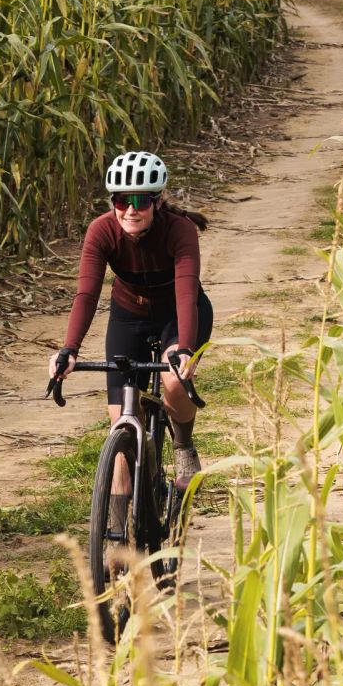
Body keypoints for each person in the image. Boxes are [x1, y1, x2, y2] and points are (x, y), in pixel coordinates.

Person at [50, 150, 209, 489]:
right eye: (122, 201)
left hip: (177, 314)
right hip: (129, 317)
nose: (131, 210)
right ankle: (122, 531)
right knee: (121, 425)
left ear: (158, 200)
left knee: (173, 381)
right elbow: (87, 294)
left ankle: (183, 444)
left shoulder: (179, 230)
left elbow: (185, 291)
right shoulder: (102, 231)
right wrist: (69, 349)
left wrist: (186, 349)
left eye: (140, 200)